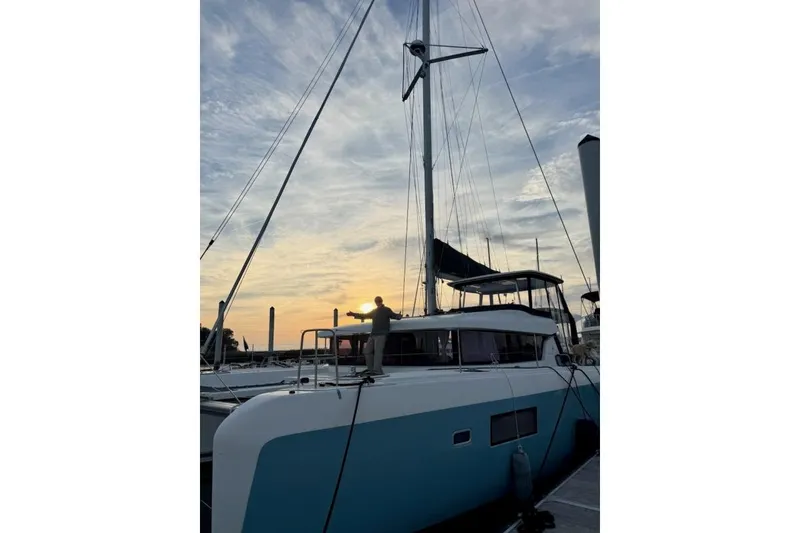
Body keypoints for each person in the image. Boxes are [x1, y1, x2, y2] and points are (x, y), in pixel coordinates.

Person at [346, 296, 402, 376]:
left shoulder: (386, 310)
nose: (377, 302)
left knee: (378, 353)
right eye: (376, 301)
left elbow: (394, 315)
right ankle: (371, 369)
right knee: (367, 351)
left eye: (378, 301)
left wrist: (399, 316)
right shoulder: (374, 311)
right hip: (373, 334)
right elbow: (364, 315)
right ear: (375, 302)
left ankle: (377, 371)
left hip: (382, 334)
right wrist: (353, 314)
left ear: (381, 301)